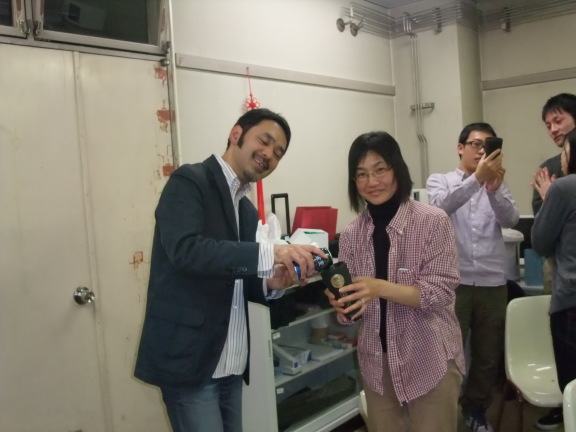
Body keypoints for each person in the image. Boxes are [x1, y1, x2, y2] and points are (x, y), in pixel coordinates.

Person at [134, 108, 326, 432]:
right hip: (192, 362)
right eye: (264, 141)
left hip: (232, 363)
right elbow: (187, 251)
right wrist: (272, 251)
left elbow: (235, 275)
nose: (269, 154)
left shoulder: (246, 210)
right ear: (236, 134)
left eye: (278, 152)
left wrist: (271, 283)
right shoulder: (190, 181)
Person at [325, 131, 465, 432]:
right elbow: (353, 308)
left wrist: (378, 287)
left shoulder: (432, 221)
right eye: (361, 174)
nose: (372, 182)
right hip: (377, 363)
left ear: (397, 170)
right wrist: (344, 306)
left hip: (428, 357)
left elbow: (439, 293)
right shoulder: (351, 235)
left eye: (380, 170)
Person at [426, 123, 519, 432]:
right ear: (460, 147)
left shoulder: (497, 184)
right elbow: (439, 209)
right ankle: (442, 411)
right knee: (448, 353)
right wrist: (477, 179)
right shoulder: (440, 180)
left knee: (487, 354)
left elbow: (511, 219)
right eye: (476, 144)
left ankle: (475, 410)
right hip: (455, 283)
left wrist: (493, 189)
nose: (481, 150)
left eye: (488, 145)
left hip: (493, 282)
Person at [531, 94, 576, 430]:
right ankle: (566, 408)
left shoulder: (560, 182)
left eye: (558, 120)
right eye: (548, 124)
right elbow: (539, 218)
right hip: (558, 268)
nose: (553, 129)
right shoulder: (549, 166)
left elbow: (542, 235)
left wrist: (551, 195)